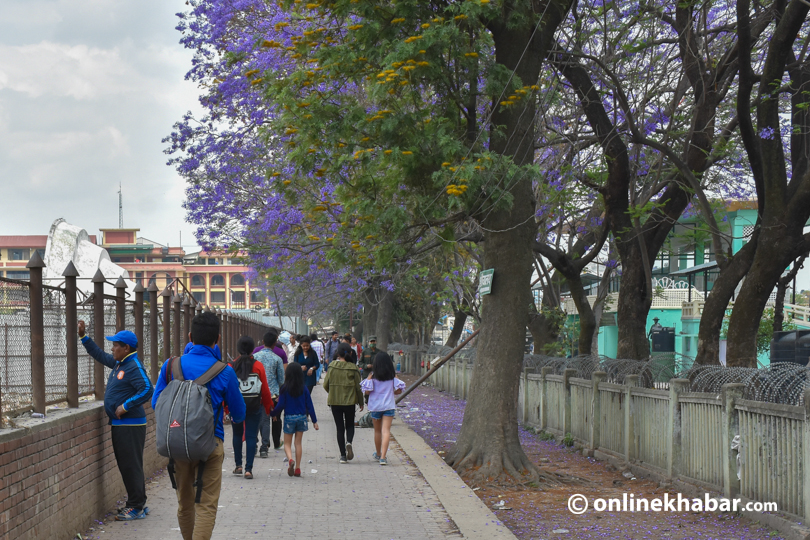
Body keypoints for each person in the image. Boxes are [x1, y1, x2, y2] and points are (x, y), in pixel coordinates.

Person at [151, 311, 246, 540]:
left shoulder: (170, 366)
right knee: (205, 506)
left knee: (185, 505)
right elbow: (239, 413)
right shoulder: (225, 371)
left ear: (190, 336)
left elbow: (157, 403)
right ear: (218, 339)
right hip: (210, 445)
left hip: (178, 445)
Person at [78, 321, 153, 521]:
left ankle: (136, 507)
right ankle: (137, 503)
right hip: (122, 425)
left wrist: (125, 406)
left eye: (115, 345)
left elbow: (147, 389)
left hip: (130, 425)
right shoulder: (121, 363)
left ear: (126, 348)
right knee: (128, 465)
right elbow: (100, 355)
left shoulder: (133, 366)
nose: (112, 348)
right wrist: (84, 337)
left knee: (130, 466)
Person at [229, 336, 274, 479]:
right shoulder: (258, 366)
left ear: (238, 348)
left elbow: (227, 389)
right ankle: (248, 469)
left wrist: (225, 408)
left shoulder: (231, 366)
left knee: (237, 434)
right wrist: (267, 406)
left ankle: (238, 466)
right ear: (252, 349)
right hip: (254, 406)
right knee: (250, 436)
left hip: (236, 407)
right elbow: (265, 390)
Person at [270, 362, 319, 477]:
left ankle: (290, 460)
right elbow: (309, 405)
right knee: (298, 443)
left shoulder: (284, 388)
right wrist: (314, 421)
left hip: (289, 418)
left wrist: (273, 413)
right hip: (302, 417)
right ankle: (298, 468)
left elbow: (280, 405)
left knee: (287, 443)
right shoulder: (304, 388)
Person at [361, 352, 405, 466]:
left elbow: (367, 391)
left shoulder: (372, 376)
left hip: (375, 407)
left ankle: (378, 453)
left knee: (377, 431)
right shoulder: (393, 376)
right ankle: (384, 458)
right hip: (389, 406)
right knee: (386, 431)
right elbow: (399, 391)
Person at [323, 343, 364, 463]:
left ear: (337, 354)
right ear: (350, 353)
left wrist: (333, 392)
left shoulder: (332, 366)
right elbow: (358, 387)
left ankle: (342, 456)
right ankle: (349, 442)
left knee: (339, 428)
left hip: (335, 401)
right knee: (350, 424)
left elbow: (326, 384)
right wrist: (361, 402)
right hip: (350, 402)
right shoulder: (353, 368)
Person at [255, 331, 285, 456]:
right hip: (272, 394)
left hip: (256, 393)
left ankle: (256, 444)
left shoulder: (255, 357)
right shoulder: (277, 359)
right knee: (267, 420)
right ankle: (265, 446)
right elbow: (281, 380)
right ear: (274, 344)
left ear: (263, 342)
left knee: (257, 420)